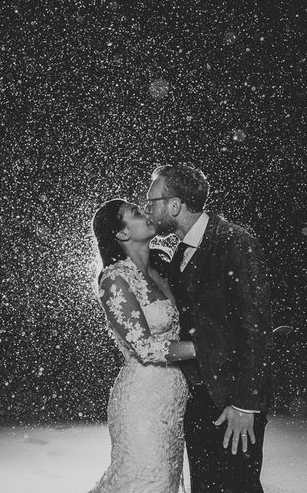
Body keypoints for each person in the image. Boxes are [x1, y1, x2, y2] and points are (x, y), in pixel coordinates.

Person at [144, 164, 274, 493]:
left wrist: (246, 404)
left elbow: (254, 328)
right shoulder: (180, 251)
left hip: (233, 401)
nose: (149, 210)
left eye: (152, 202)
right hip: (200, 398)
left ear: (174, 205)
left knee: (239, 487)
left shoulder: (234, 242)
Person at [88, 198, 197, 493]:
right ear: (122, 234)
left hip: (172, 399)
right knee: (146, 481)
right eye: (135, 213)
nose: (146, 212)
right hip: (142, 402)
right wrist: (205, 347)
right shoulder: (114, 280)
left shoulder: (161, 269)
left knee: (166, 481)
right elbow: (146, 348)